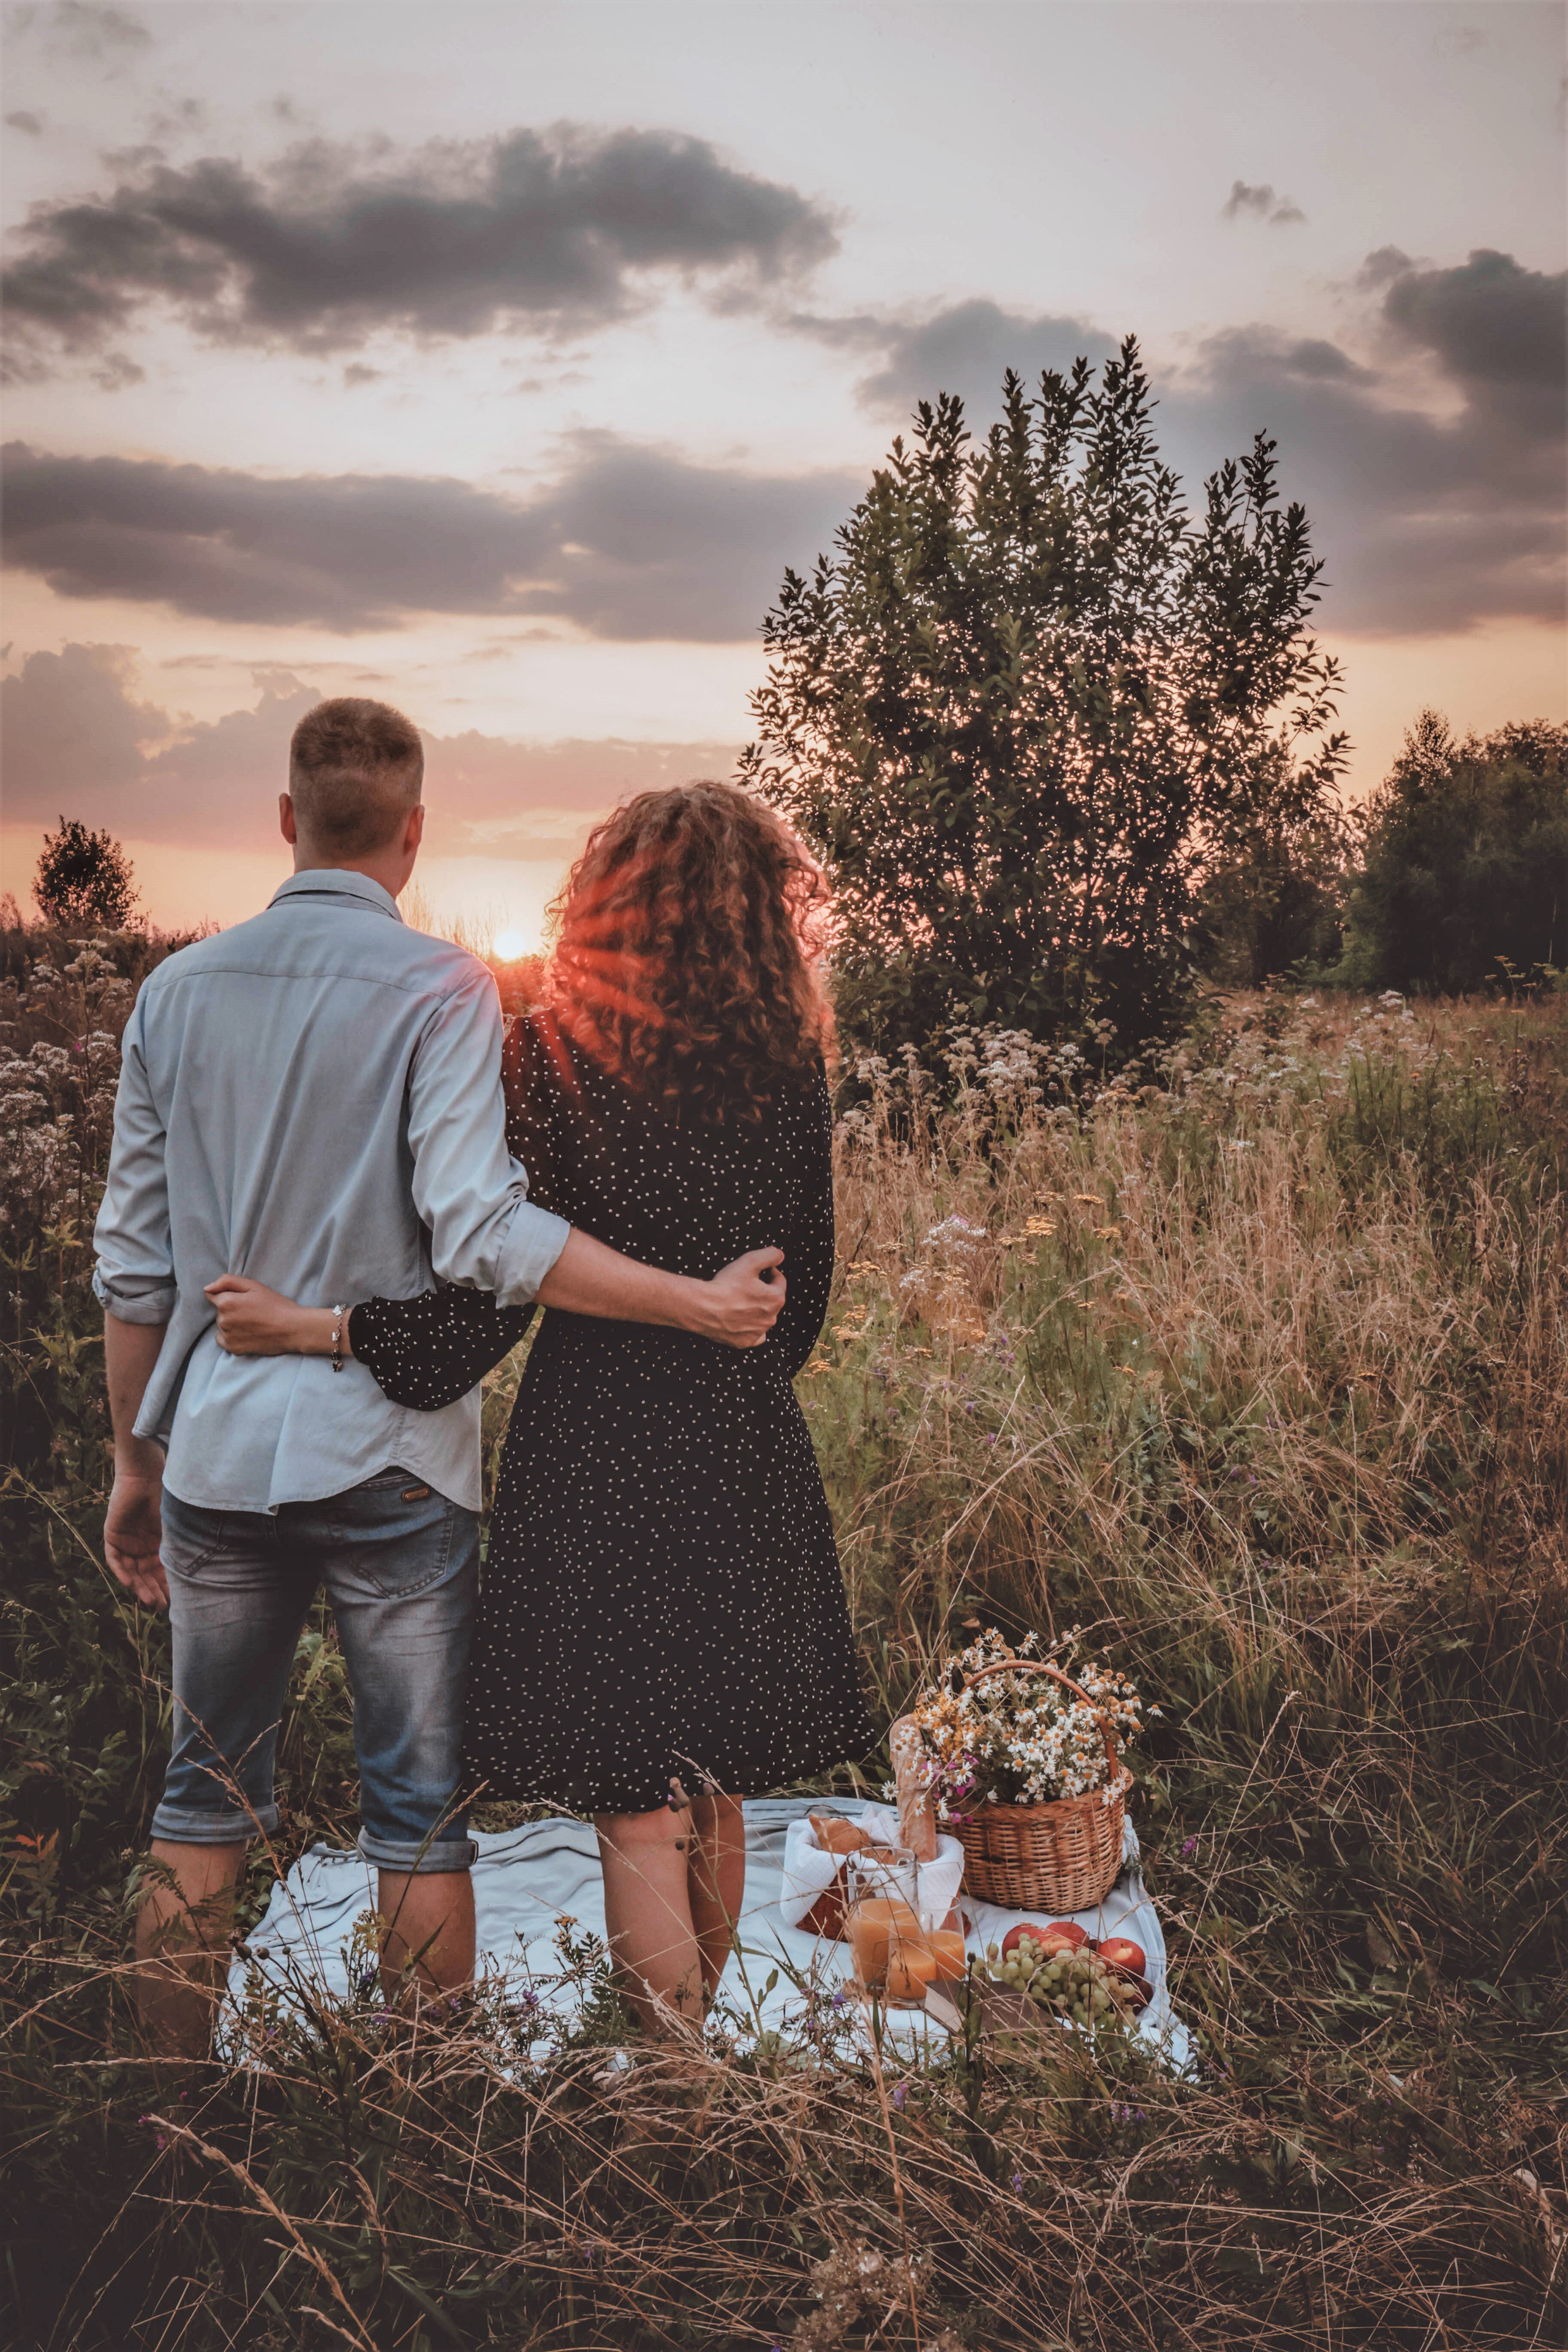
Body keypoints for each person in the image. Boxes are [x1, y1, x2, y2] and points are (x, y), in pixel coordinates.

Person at [94, 702, 787, 2058]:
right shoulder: (443, 989)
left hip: (221, 1458)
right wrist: (689, 1301)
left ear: (285, 821)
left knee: (200, 1804)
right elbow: (479, 1233)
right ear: (414, 833)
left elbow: (132, 1269)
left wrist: (134, 1462)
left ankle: (158, 2136)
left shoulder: (172, 994)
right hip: (399, 1458)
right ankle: (420, 2112)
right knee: (416, 1812)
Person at [211, 780, 875, 2033]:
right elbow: (801, 1302)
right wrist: (718, 1351)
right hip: (737, 1440)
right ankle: (706, 2053)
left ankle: (670, 2088)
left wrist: (321, 1325)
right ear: (758, 911)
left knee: (636, 1791)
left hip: (593, 1446)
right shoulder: (787, 1070)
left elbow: (483, 1304)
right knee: (714, 1773)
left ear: (605, 909)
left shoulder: (551, 1058)